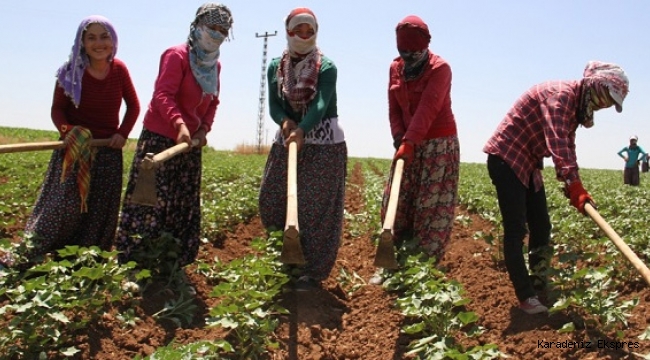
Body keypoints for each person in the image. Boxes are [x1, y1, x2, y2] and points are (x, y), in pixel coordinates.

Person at [483, 61, 629, 315]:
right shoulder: (560, 96)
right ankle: (526, 296)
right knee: (516, 230)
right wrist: (574, 184)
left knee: (542, 225)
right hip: (506, 158)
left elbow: (567, 145)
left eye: (610, 103)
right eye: (606, 97)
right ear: (596, 85)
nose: (605, 105)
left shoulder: (574, 104)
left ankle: (539, 283)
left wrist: (575, 184)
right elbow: (558, 142)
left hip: (528, 163)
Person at [0, 16, 140, 269]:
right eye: (91, 37)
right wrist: (69, 131)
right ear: (82, 43)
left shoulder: (119, 70)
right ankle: (32, 251)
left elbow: (134, 106)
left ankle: (86, 259)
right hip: (74, 149)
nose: (99, 43)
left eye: (104, 36)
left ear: (113, 40)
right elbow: (57, 110)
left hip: (107, 148)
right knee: (61, 205)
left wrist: (122, 133)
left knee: (99, 208)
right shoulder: (69, 72)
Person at [115, 3, 233, 268]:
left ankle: (171, 263)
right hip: (160, 139)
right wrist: (179, 124)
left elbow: (212, 103)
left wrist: (202, 131)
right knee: (149, 203)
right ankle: (134, 263)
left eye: (222, 30)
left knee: (182, 203)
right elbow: (162, 95)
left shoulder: (215, 66)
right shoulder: (176, 55)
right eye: (211, 27)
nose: (216, 34)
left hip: (188, 146)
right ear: (198, 25)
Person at [258, 8, 347, 292]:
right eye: (299, 30)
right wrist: (285, 123)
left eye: (310, 31)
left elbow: (321, 104)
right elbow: (273, 104)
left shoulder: (326, 66)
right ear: (288, 31)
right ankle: (283, 261)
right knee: (270, 198)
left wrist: (303, 129)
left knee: (316, 210)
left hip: (324, 142)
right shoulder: (275, 66)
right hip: (287, 138)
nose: (304, 36)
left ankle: (311, 273)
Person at [370, 15, 460, 285]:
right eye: (403, 51)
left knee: (430, 209)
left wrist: (411, 140)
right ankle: (389, 264)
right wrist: (399, 137)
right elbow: (394, 108)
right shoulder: (395, 68)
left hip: (437, 145)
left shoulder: (440, 68)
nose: (408, 57)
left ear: (425, 47)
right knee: (397, 202)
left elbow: (427, 110)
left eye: (414, 51)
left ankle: (421, 272)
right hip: (407, 141)